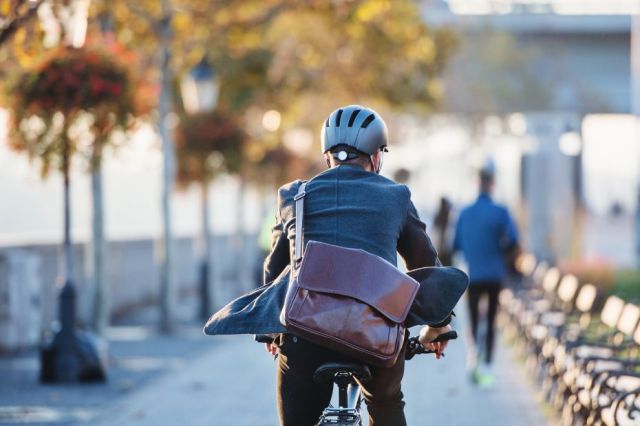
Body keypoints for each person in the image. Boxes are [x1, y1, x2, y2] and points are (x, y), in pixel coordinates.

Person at [262, 105, 451, 426]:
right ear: (377, 157)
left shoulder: (294, 195)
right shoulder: (396, 196)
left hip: (305, 338)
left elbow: (275, 271)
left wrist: (271, 332)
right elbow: (425, 266)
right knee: (386, 401)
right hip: (376, 337)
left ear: (327, 158)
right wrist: (438, 326)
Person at [453, 163, 519, 387]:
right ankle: (488, 364)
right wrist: (499, 250)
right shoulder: (501, 212)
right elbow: (512, 240)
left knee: (472, 318)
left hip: (472, 274)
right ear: (492, 185)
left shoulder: (464, 213)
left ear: (477, 184)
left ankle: (473, 357)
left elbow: (456, 244)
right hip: (494, 273)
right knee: (491, 319)